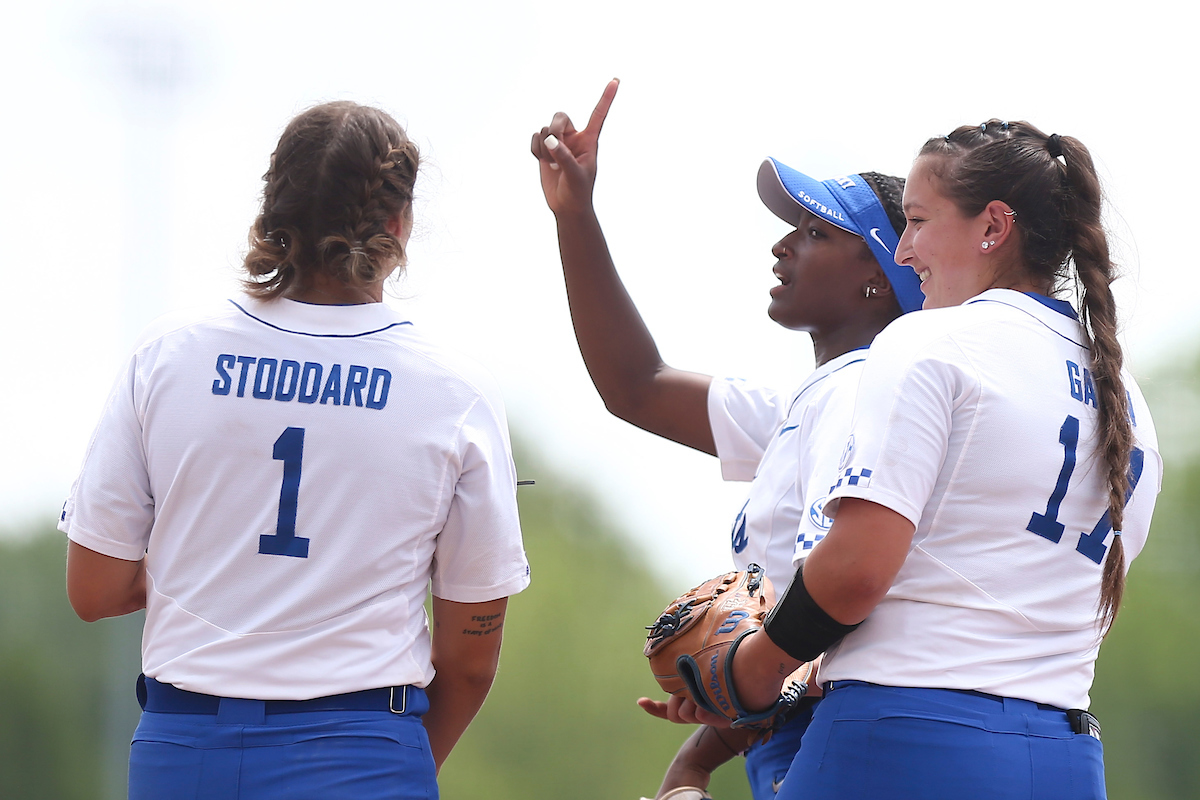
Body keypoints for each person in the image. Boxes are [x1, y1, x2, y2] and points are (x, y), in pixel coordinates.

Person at [669, 120, 1162, 799]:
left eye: (919, 221)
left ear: (993, 226)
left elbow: (855, 573)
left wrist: (749, 673)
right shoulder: (1128, 400)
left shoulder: (931, 341)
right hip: (1065, 759)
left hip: (905, 740)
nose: (903, 250)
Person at [61, 101, 530, 800]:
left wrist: (217, 572)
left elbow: (94, 589)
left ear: (271, 210)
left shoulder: (168, 355)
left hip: (183, 752)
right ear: (399, 225)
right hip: (364, 752)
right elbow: (468, 659)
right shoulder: (454, 390)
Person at [530, 81, 923, 800]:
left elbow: (844, 609)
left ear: (878, 272)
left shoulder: (866, 392)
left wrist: (742, 686)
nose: (782, 244)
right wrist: (575, 216)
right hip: (805, 741)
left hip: (836, 742)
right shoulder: (815, 400)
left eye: (814, 232)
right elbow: (636, 385)